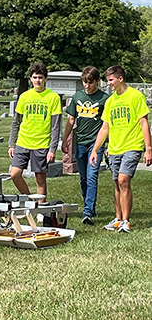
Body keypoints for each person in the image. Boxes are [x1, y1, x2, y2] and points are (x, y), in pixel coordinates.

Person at [89, 65, 152, 233]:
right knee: (117, 183)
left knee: (124, 180)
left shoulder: (136, 96)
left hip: (132, 145)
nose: (108, 83)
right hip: (115, 148)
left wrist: (148, 149)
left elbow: (144, 123)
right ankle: (118, 219)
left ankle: (126, 221)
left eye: (110, 80)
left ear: (120, 79)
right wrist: (95, 150)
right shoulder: (110, 101)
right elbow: (105, 128)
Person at [8, 62, 62, 212]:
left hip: (42, 143)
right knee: (14, 174)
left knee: (40, 178)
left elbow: (56, 126)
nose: (37, 80)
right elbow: (15, 123)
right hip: (23, 142)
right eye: (35, 77)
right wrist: (11, 144)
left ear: (45, 79)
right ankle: (31, 201)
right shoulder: (24, 96)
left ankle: (41, 210)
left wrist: (52, 149)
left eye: (40, 77)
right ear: (31, 78)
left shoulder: (53, 97)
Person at [61, 66, 109, 225]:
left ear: (97, 81)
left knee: (92, 176)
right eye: (84, 82)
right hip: (80, 142)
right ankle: (90, 206)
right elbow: (71, 120)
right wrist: (65, 139)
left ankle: (87, 211)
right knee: (83, 178)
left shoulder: (104, 98)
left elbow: (108, 124)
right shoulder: (77, 96)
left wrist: (107, 144)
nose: (86, 85)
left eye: (90, 82)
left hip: (96, 144)